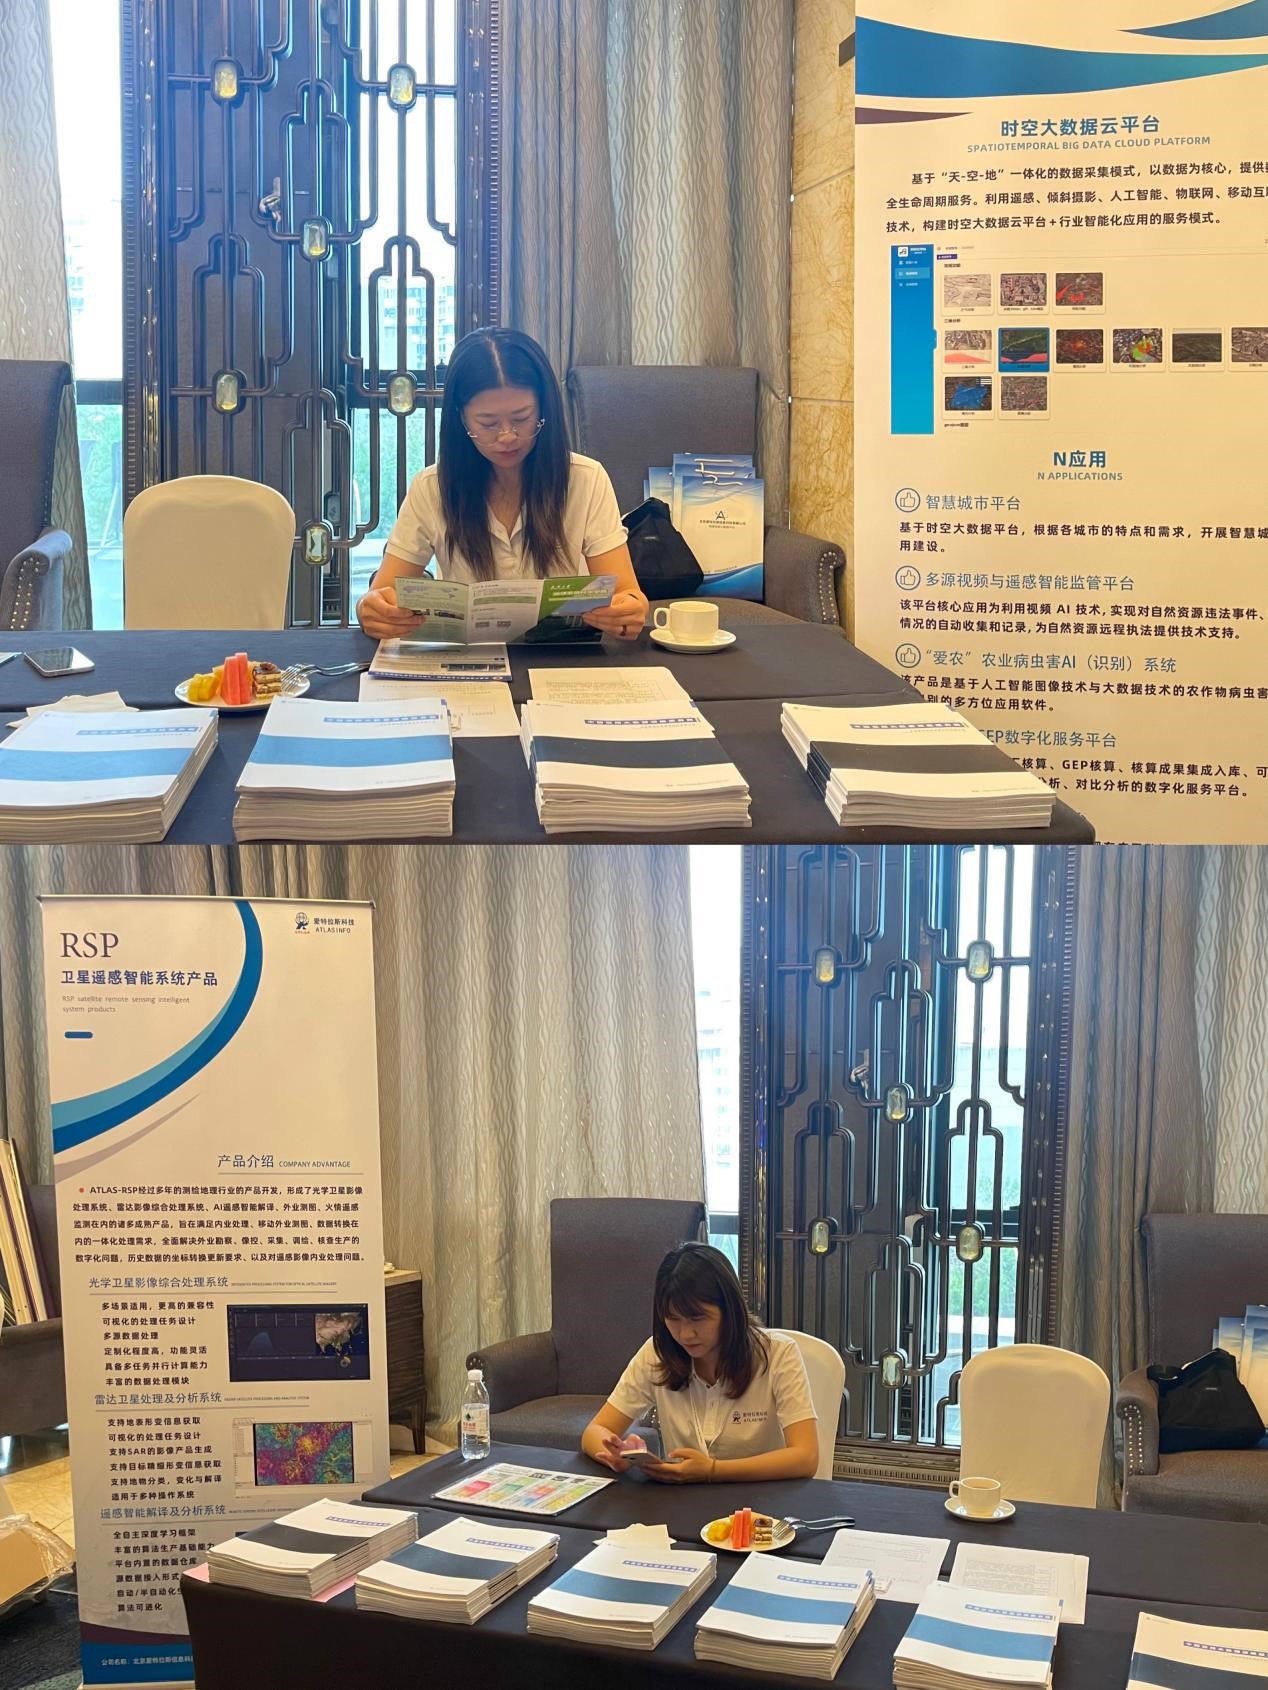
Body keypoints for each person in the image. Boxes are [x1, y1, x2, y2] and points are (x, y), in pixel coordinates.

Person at [356, 327, 648, 641]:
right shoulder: (432, 488)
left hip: (557, 656)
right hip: (469, 659)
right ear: (461, 418)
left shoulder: (585, 479)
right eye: (488, 423)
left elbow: (627, 594)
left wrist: (628, 610)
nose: (507, 436)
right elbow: (381, 594)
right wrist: (370, 610)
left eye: (521, 418)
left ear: (543, 409)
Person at [580, 1241, 819, 1484]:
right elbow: (594, 1431)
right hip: (683, 1497)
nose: (685, 1334)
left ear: (730, 1311)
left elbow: (806, 1457)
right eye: (673, 1319)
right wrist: (617, 1453)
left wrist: (712, 1471)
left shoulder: (778, 1354)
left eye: (697, 1318)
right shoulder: (658, 1354)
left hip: (762, 1498)